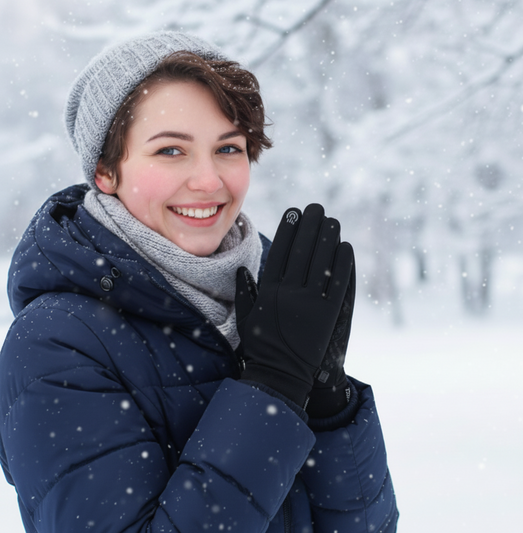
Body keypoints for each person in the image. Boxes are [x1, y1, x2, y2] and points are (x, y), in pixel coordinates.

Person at [0, 31, 398, 533]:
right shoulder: (55, 343)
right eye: (171, 151)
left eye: (228, 148)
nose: (209, 180)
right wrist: (271, 390)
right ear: (105, 170)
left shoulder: (267, 300)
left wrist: (328, 404)